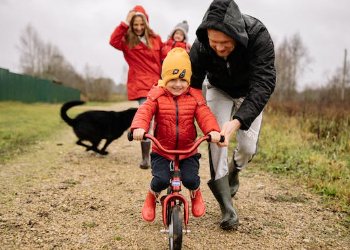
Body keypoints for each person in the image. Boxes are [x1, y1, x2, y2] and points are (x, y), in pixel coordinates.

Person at [189, 0, 276, 230]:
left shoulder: (258, 36)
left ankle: (235, 171)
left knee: (247, 148)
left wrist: (237, 121)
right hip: (218, 89)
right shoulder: (200, 45)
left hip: (249, 92)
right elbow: (193, 86)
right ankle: (226, 207)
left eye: (225, 42)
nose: (218, 48)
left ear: (236, 35)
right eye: (213, 42)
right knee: (217, 140)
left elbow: (264, 83)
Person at [130, 48, 222, 222]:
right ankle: (151, 196)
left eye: (182, 79)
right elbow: (144, 111)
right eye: (172, 79)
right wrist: (139, 128)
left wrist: (213, 131)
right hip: (162, 150)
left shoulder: (194, 97)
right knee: (160, 180)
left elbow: (205, 115)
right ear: (165, 79)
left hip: (188, 150)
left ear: (188, 80)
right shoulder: (157, 95)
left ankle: (195, 194)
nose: (178, 84)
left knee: (191, 179)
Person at [110, 5, 163, 169]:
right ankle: (146, 157)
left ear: (146, 24)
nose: (139, 28)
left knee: (162, 119)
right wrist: (125, 22)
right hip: (141, 85)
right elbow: (113, 41)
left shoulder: (156, 39)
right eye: (135, 24)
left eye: (141, 24)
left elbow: (164, 58)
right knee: (147, 118)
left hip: (158, 83)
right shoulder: (126, 41)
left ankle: (162, 154)